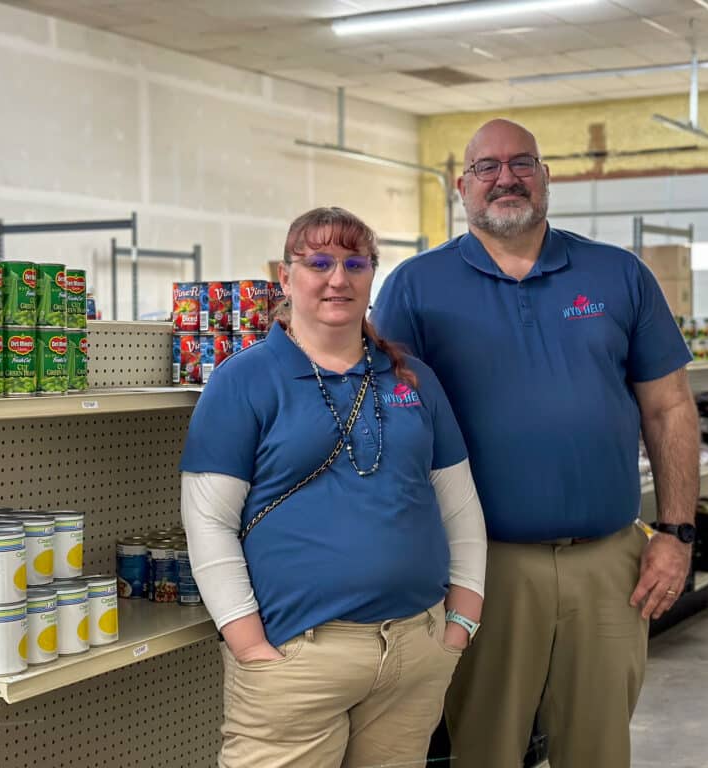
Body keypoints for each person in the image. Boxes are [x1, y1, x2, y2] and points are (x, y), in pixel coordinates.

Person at [372, 119, 700, 768]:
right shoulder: (416, 287)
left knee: (599, 747)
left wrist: (676, 532)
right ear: (463, 186)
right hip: (481, 568)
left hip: (610, 566)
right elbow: (389, 424)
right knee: (485, 746)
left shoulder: (618, 276)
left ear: (547, 177)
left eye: (522, 163)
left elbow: (670, 407)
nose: (505, 178)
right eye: (486, 167)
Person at [179, 206, 487, 768]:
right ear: (285, 276)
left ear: (373, 275)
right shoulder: (242, 380)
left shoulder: (413, 378)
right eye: (318, 262)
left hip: (415, 649)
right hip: (297, 658)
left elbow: (459, 506)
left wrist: (461, 620)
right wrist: (248, 644)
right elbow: (208, 523)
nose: (337, 278)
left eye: (355, 263)